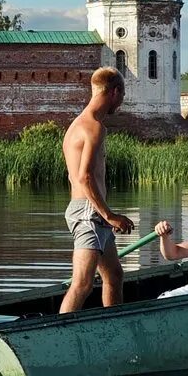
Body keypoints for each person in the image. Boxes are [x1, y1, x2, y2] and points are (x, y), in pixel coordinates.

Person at [60, 67, 135, 314]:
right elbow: (84, 177)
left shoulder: (75, 125)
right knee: (82, 283)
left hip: (92, 212)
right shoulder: (93, 127)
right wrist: (109, 215)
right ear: (115, 92)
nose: (121, 102)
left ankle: (114, 325)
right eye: (122, 96)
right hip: (89, 214)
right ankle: (58, 336)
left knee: (114, 275)